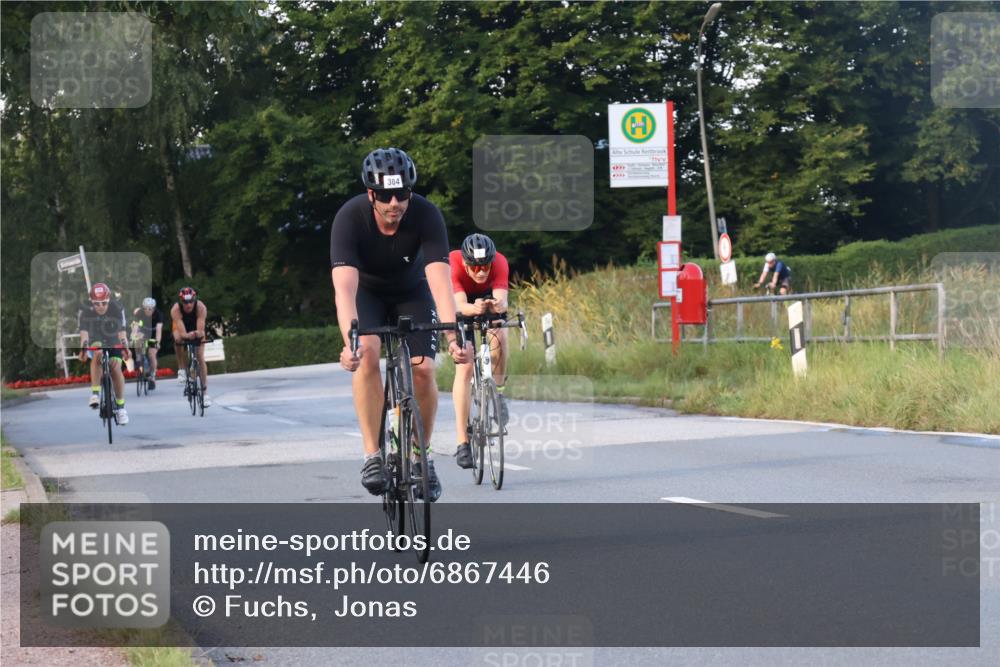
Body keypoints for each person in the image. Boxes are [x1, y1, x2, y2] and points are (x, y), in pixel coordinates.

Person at [331, 147, 471, 501]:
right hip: (368, 295)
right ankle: (372, 455)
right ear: (370, 195)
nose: (394, 203)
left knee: (424, 370)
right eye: (384, 195)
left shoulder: (426, 214)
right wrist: (351, 342)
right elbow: (344, 289)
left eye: (402, 194)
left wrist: (454, 335)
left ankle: (422, 455)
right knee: (367, 354)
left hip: (413, 292)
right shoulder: (349, 218)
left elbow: (441, 282)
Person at [449, 233, 511, 469]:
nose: (481, 271)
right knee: (464, 367)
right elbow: (459, 305)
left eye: (485, 265)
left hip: (487, 299)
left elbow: (502, 302)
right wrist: (474, 309)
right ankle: (462, 442)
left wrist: (495, 306)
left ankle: (499, 393)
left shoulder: (500, 262)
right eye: (475, 267)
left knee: (501, 334)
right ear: (465, 263)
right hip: (462, 302)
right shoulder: (453, 263)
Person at [77, 282, 131, 424]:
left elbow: (122, 333)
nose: (100, 306)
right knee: (98, 353)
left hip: (113, 338)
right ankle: (95, 394)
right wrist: (83, 349)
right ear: (91, 302)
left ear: (109, 300)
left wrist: (126, 348)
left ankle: (121, 408)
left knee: (116, 368)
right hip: (96, 338)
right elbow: (84, 335)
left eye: (104, 303)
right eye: (96, 303)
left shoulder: (116, 308)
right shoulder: (86, 311)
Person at [171, 286, 211, 407]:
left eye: (190, 301)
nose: (188, 305)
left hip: (196, 328)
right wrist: (186, 336)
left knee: (200, 357)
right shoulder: (175, 309)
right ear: (181, 301)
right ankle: (182, 368)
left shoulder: (201, 307)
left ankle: (205, 394)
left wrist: (197, 334)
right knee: (178, 339)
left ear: (194, 299)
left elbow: (201, 330)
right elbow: (181, 330)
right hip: (182, 328)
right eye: (185, 302)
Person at [131, 297, 163, 389]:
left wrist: (157, 342)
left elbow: (159, 330)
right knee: (137, 339)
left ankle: (152, 376)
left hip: (153, 333)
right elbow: (135, 326)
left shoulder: (158, 314)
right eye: (145, 308)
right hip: (144, 331)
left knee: (152, 354)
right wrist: (134, 335)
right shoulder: (140, 313)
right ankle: (138, 357)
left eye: (150, 309)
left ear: (153, 308)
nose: (148, 311)